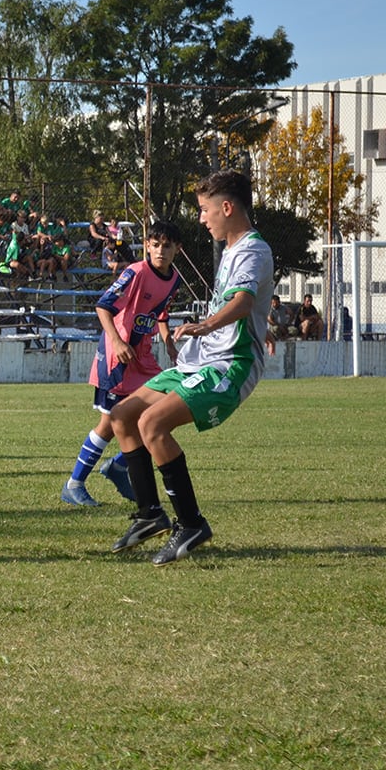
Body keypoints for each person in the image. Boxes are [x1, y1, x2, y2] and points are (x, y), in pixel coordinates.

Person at [108, 169, 273, 565]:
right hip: (201, 361)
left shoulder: (252, 249)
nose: (202, 218)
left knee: (152, 425)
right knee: (122, 417)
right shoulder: (234, 251)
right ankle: (149, 513)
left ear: (227, 207)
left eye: (205, 209)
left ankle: (191, 523)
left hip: (229, 366)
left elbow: (243, 303)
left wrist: (205, 325)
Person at [61, 219, 184, 507]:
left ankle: (119, 465)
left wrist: (168, 341)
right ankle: (74, 484)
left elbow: (161, 314)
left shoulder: (174, 279)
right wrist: (117, 341)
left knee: (167, 409)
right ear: (147, 246)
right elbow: (103, 306)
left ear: (177, 249)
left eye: (167, 246)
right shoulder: (136, 272)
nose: (160, 252)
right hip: (118, 358)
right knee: (109, 423)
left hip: (143, 357)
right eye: (155, 246)